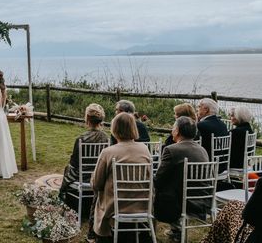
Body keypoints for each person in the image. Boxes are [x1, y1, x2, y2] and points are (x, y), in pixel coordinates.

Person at [91, 112, 152, 242]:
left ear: (114, 129)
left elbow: (96, 184)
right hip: (142, 205)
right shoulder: (145, 150)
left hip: (115, 207)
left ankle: (98, 234)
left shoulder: (108, 152)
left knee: (99, 195)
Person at [154, 117, 209, 243]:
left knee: (156, 187)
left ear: (177, 131)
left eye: (173, 128)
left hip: (180, 203)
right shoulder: (202, 150)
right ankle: (176, 230)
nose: (172, 131)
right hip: (201, 200)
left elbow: (159, 179)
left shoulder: (171, 150)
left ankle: (149, 230)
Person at [59, 103, 108, 240]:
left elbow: (74, 163)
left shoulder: (81, 139)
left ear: (87, 119)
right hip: (98, 177)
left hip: (82, 177)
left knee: (67, 170)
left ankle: (69, 205)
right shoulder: (106, 138)